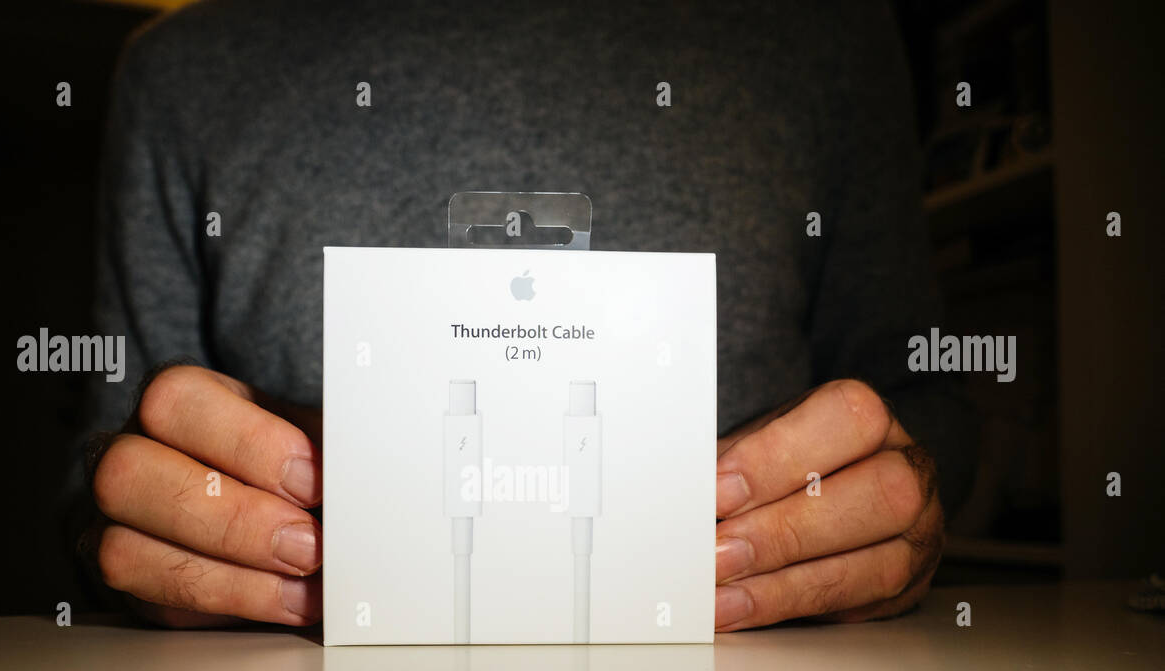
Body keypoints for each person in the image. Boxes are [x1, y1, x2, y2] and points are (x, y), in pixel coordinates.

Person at [78, 0, 977, 633]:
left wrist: (897, 508)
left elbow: (917, 411)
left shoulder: (830, 32)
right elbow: (104, 473)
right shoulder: (180, 71)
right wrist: (149, 531)